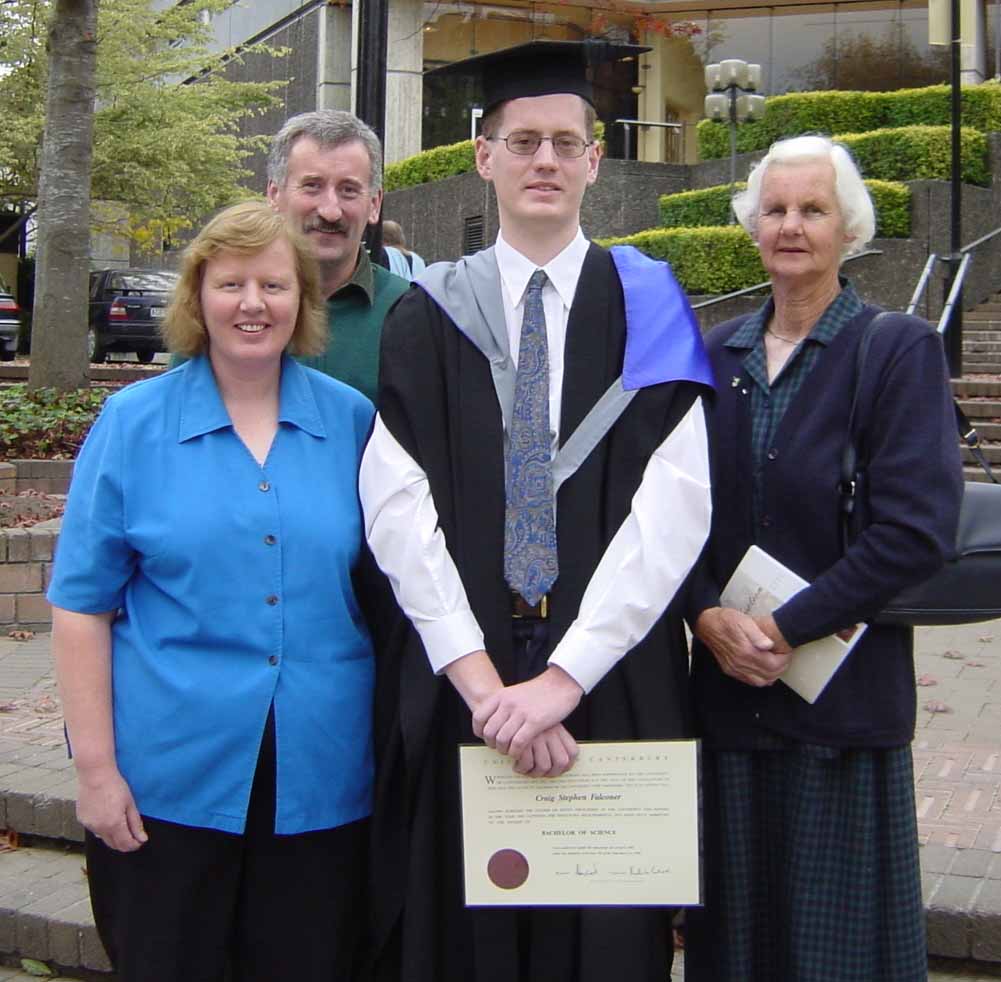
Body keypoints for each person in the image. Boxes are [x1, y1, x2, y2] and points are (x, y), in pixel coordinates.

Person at [358, 39, 714, 982]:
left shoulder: (653, 305)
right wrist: (486, 688)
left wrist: (561, 682)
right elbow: (398, 511)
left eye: (565, 142)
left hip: (613, 678)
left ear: (596, 161)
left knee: (606, 941)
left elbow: (674, 514)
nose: (545, 160)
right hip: (464, 679)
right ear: (484, 157)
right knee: (462, 933)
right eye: (523, 142)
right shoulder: (428, 312)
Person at [48, 201, 378, 982]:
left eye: (274, 285)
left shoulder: (354, 425)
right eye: (231, 284)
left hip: (324, 774)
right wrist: (96, 772)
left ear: (303, 300)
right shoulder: (132, 423)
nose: (253, 304)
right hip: (170, 778)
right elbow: (80, 608)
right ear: (198, 297)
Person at [684, 135, 963, 981]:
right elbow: (668, 518)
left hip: (840, 709)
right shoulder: (713, 354)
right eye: (775, 209)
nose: (792, 226)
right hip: (729, 705)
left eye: (813, 210)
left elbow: (915, 530)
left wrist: (781, 627)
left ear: (850, 229)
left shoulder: (896, 349)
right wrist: (703, 613)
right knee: (735, 949)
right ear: (752, 227)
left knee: (835, 954)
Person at [266, 110, 409, 401]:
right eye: (312, 186)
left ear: (374, 204)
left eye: (348, 190)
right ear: (274, 195)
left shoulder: (412, 312)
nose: (330, 211)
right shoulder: (230, 309)